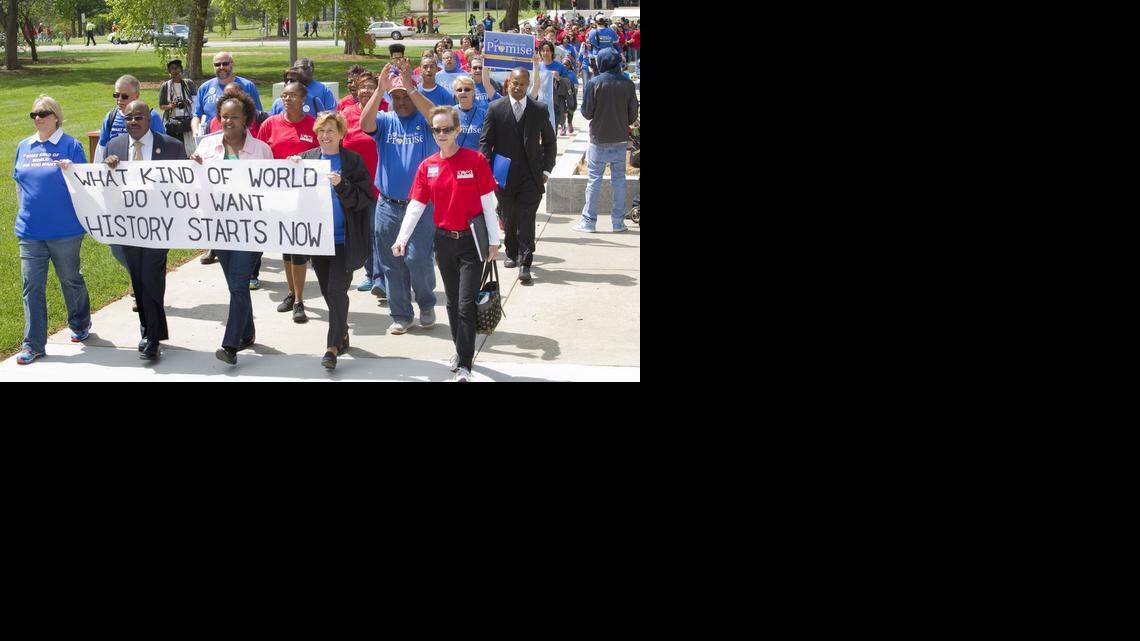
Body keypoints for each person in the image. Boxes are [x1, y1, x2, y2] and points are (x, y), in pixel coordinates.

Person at [395, 106, 501, 382]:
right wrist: (402, 238)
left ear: (457, 130)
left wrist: (494, 240)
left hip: (472, 242)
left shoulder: (475, 160)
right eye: (436, 130)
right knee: (453, 302)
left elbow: (489, 203)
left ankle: (465, 365)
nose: (441, 134)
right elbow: (416, 205)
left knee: (466, 303)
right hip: (443, 241)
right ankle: (459, 350)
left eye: (446, 129)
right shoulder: (427, 166)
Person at [190, 90, 274, 366]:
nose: (228, 122)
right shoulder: (206, 147)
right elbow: (195, 187)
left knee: (238, 282)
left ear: (246, 119)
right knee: (236, 285)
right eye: (224, 117)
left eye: (234, 117)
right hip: (219, 229)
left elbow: (273, 188)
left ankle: (230, 345)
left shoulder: (261, 150)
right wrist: (194, 169)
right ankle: (247, 332)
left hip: (250, 229)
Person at [102, 100, 188, 361]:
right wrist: (108, 167)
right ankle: (148, 329)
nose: (133, 122)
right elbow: (102, 184)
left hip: (159, 227)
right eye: (128, 118)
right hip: (128, 227)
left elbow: (186, 185)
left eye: (138, 117)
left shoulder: (171, 146)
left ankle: (152, 339)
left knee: (152, 277)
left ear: (149, 118)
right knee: (138, 279)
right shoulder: (114, 146)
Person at [290, 112, 376, 370]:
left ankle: (331, 347)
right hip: (319, 240)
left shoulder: (352, 161)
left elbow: (364, 199)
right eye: (321, 131)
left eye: (330, 131)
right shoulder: (307, 159)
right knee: (329, 291)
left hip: (344, 240)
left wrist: (342, 185)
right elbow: (291, 196)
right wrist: (290, 168)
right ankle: (343, 332)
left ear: (341, 134)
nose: (325, 136)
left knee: (337, 290)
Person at [13, 96, 92, 365]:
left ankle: (80, 323)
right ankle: (33, 344)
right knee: (31, 286)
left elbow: (86, 187)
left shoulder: (70, 146)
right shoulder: (25, 146)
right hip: (30, 231)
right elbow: (19, 184)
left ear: (56, 116)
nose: (38, 118)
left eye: (44, 113)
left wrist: (72, 173)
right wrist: (23, 213)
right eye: (33, 114)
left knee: (70, 278)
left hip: (65, 231)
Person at [360, 70, 439, 334]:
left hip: (420, 206)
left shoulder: (425, 120)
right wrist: (380, 90)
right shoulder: (385, 120)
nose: (402, 101)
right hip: (388, 205)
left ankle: (426, 303)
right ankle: (402, 314)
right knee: (391, 263)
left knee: (417, 259)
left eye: (405, 96)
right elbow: (364, 124)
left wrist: (411, 88)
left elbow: (436, 116)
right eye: (397, 97)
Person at [478, 67, 557, 284]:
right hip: (503, 174)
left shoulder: (539, 109)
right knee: (509, 217)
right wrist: (487, 171)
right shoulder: (495, 108)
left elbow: (550, 141)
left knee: (527, 218)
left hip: (531, 175)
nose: (518, 87)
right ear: (508, 83)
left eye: (523, 84)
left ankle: (525, 261)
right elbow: (485, 142)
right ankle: (511, 251)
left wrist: (546, 169)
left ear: (528, 84)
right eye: (515, 83)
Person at [257, 81, 319, 323]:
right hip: (278, 198)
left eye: (292, 95)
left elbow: (322, 155)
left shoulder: (314, 125)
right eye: (284, 95)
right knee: (286, 246)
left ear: (304, 99)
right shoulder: (269, 125)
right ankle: (292, 292)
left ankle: (300, 301)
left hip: (305, 197)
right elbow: (261, 157)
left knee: (299, 248)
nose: (287, 99)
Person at [572, 48, 638, 234]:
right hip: (619, 139)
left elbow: (586, 113)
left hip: (598, 138)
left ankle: (589, 222)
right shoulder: (628, 84)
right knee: (619, 180)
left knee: (594, 180)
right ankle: (618, 222)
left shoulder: (594, 83)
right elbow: (633, 115)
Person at [402, 67, 488, 154]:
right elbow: (430, 112)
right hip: (453, 159)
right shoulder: (449, 113)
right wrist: (410, 89)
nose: (463, 92)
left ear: (473, 92)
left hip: (475, 161)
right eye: (459, 90)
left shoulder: (483, 114)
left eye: (467, 89)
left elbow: (487, 142)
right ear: (455, 93)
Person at [95, 75, 166, 162]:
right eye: (116, 95)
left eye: (124, 96)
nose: (119, 99)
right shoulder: (111, 117)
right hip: (117, 171)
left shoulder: (151, 117)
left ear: (137, 96)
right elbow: (101, 149)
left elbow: (163, 146)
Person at [192, 51, 263, 139]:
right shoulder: (204, 88)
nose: (221, 67)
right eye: (217, 64)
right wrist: (196, 132)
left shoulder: (248, 86)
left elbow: (257, 115)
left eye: (225, 64)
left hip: (242, 138)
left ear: (232, 64)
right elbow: (196, 115)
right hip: (211, 137)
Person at [157, 59, 198, 153]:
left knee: (189, 149)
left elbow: (195, 101)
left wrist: (186, 102)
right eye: (172, 71)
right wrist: (171, 106)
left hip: (187, 119)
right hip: (172, 121)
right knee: (174, 148)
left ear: (181, 71)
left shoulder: (189, 84)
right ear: (169, 73)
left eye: (177, 70)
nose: (175, 73)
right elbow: (161, 106)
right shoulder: (165, 86)